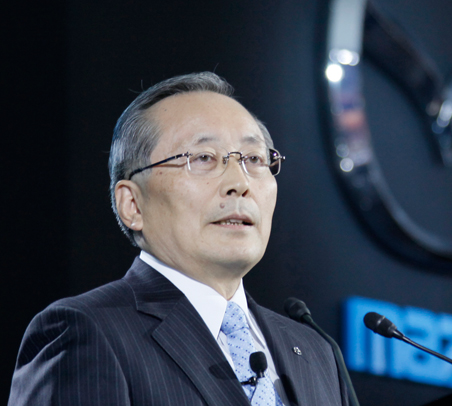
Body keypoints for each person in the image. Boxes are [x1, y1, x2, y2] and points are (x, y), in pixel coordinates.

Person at [8, 72, 346, 405]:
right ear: (133, 204)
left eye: (254, 159)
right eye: (202, 158)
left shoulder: (316, 352)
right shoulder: (89, 331)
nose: (239, 183)